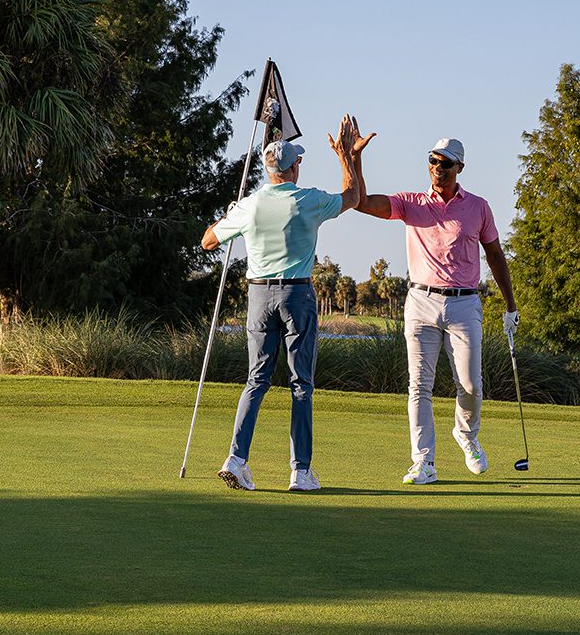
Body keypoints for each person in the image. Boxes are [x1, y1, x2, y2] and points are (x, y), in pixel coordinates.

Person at [349, 127, 517, 484]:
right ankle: (423, 461)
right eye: (433, 161)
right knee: (418, 386)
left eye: (446, 163)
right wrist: (355, 158)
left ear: (459, 168)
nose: (438, 168)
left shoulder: (478, 207)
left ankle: (466, 435)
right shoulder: (410, 202)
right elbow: (361, 202)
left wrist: (510, 306)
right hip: (421, 302)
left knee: (470, 386)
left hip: (464, 303)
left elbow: (495, 255)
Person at [202, 117, 361, 492]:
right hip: (297, 296)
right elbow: (352, 196)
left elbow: (208, 241)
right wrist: (345, 156)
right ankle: (300, 472)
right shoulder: (308, 200)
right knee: (301, 383)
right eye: (298, 162)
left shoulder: (250, 205)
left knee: (256, 379)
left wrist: (230, 214)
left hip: (259, 296)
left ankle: (236, 459)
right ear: (293, 167)